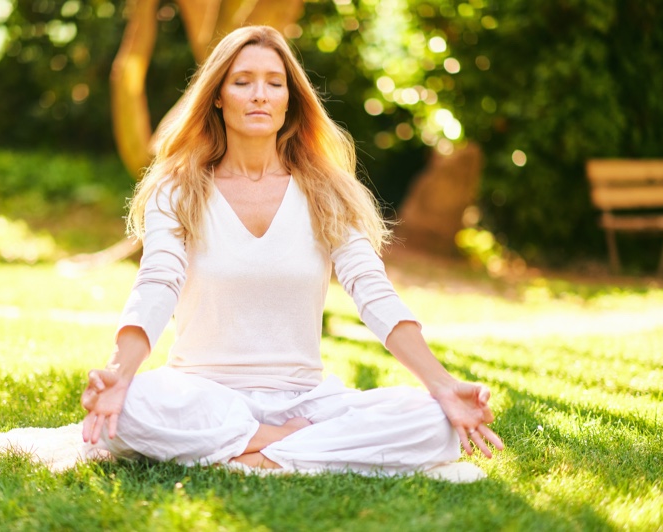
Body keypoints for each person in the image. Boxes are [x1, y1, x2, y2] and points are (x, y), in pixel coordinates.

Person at [79, 25, 503, 481]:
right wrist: (121, 374)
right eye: (242, 81)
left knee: (434, 423)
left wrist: (442, 384)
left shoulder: (328, 192)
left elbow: (373, 291)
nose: (259, 94)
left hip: (304, 401)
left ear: (289, 99)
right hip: (203, 394)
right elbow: (156, 283)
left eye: (274, 83)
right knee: (130, 410)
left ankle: (249, 448)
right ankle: (278, 445)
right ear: (218, 96)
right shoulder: (178, 189)